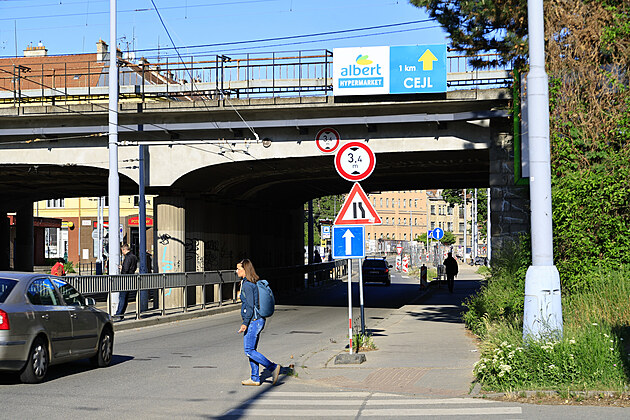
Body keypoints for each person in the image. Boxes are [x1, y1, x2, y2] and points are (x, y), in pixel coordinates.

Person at [236, 259, 280, 386]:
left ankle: (273, 367)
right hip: (257, 320)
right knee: (252, 350)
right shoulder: (250, 282)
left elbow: (250, 307)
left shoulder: (247, 285)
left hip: (253, 321)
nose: (236, 271)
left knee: (249, 350)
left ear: (245, 270)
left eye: (239, 269)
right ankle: (255, 378)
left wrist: (245, 323)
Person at [115, 244, 138, 317]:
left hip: (125, 279)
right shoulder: (134, 257)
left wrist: (122, 268)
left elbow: (126, 269)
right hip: (131, 278)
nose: (122, 253)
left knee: (122, 297)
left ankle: (119, 314)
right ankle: (121, 313)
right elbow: (134, 268)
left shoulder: (128, 257)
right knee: (126, 297)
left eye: (122, 251)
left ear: (124, 250)